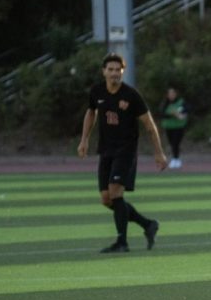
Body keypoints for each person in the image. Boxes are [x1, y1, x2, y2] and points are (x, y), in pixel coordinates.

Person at [77, 53, 168, 253]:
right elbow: (91, 112)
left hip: (125, 151)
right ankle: (147, 224)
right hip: (106, 150)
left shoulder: (131, 95)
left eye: (118, 70)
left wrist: (159, 153)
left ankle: (122, 242)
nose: (114, 73)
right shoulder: (97, 91)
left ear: (122, 72)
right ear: (104, 72)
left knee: (116, 193)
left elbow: (149, 125)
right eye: (110, 70)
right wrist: (84, 139)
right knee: (106, 199)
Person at [160, 86, 188, 169]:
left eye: (173, 93)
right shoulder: (165, 103)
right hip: (169, 126)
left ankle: (176, 159)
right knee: (172, 143)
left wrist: (181, 114)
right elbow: (162, 114)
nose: (171, 95)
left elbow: (187, 109)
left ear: (176, 94)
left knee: (176, 142)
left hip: (179, 126)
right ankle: (175, 158)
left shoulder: (181, 102)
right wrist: (173, 114)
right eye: (170, 93)